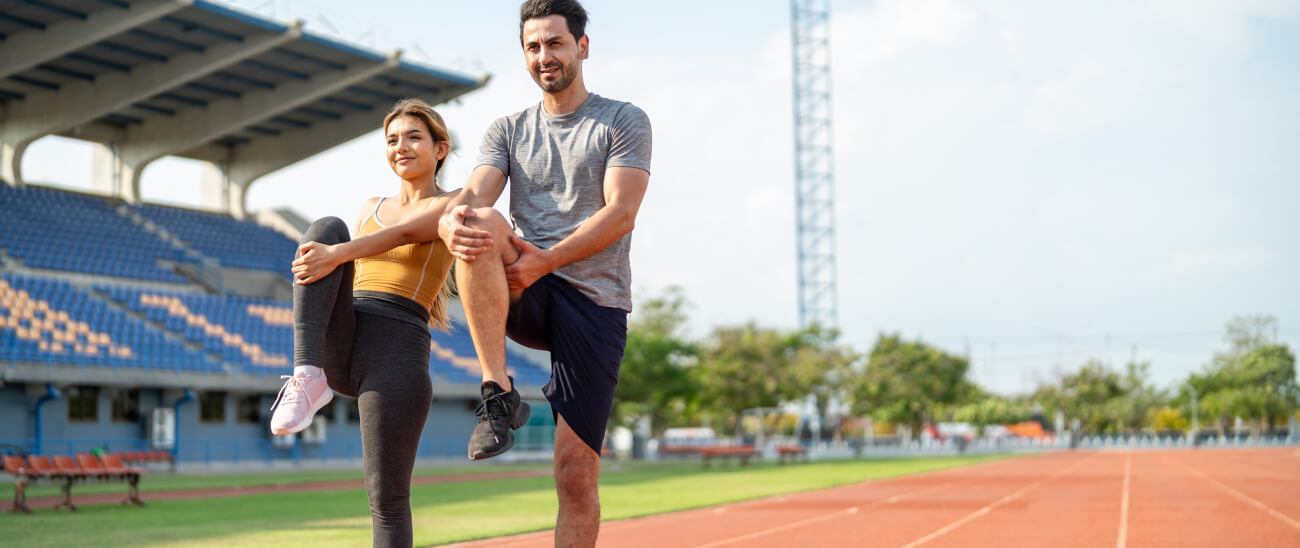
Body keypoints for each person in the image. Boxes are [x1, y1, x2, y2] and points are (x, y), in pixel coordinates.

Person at [292, 1, 651, 544]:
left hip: (593, 300)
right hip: (524, 288)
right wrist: (444, 222)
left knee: (575, 475)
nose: (544, 56)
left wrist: (546, 259)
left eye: (555, 43)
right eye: (533, 47)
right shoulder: (508, 129)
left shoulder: (622, 120)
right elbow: (468, 201)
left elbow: (621, 212)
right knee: (471, 218)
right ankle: (497, 390)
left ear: (582, 46)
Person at [267, 98, 477, 547]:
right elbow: (339, 258)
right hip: (345, 337)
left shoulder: (457, 202)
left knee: (387, 500)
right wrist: (332, 253)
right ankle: (307, 374)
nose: (401, 146)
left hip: (395, 356)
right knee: (325, 227)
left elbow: (405, 233)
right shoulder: (369, 207)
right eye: (392, 139)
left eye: (414, 137)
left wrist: (337, 255)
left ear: (440, 149)